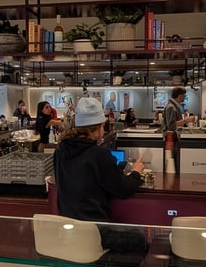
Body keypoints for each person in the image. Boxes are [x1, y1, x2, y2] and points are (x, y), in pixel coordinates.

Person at [54, 96, 146, 253]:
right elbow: (123, 189)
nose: (104, 130)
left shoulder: (60, 150)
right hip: (95, 231)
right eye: (103, 126)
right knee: (139, 241)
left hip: (68, 228)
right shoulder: (98, 154)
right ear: (95, 128)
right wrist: (136, 172)